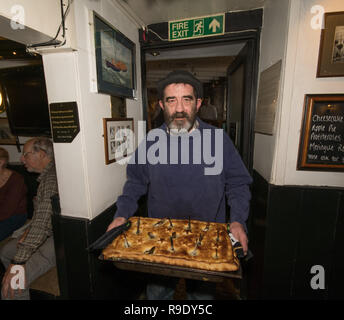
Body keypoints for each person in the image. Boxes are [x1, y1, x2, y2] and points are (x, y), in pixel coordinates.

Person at [106, 70, 252, 300]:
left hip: (207, 239)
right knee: (157, 294)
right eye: (172, 100)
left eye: (187, 99)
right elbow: (135, 182)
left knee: (201, 298)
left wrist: (237, 221)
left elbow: (238, 184)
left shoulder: (218, 139)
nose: (180, 108)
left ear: (198, 103)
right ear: (162, 105)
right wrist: (121, 214)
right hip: (160, 238)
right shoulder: (152, 140)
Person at [0, 137, 59, 300]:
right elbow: (42, 218)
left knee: (14, 284)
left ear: (41, 154)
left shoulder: (51, 180)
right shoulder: (49, 175)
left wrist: (18, 263)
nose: (21, 159)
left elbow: (42, 225)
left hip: (62, 237)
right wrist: (28, 231)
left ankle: (18, 286)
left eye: (25, 154)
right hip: (50, 230)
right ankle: (27, 284)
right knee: (6, 252)